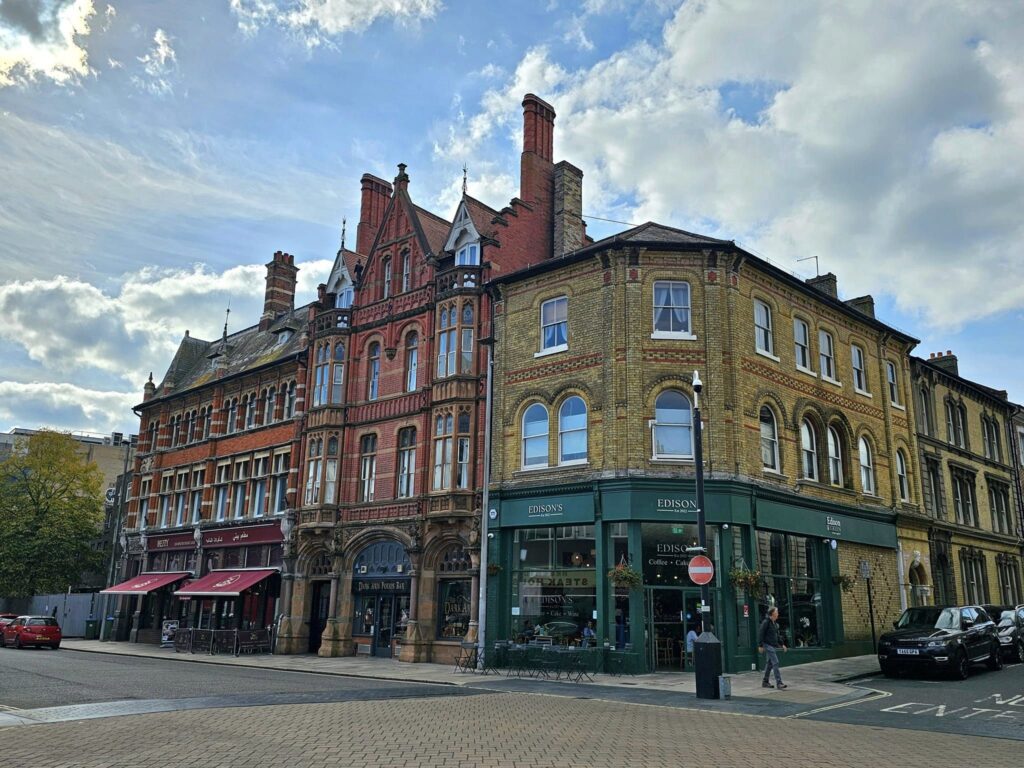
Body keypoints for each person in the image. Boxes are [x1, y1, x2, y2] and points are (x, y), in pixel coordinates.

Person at [758, 607, 788, 689]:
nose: (778, 613)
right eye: (776, 612)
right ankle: (779, 683)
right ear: (772, 614)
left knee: (769, 664)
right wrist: (760, 645)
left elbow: (777, 636)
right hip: (767, 645)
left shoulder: (774, 623)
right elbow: (761, 633)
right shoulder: (766, 622)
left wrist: (782, 644)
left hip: (772, 645)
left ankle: (765, 682)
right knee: (776, 662)